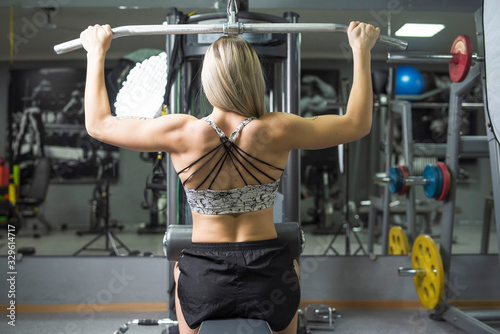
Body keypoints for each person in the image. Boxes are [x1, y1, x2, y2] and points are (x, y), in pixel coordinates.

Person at [80, 21, 380, 334]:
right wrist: (361, 50)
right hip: (270, 276)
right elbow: (357, 124)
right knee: (291, 266)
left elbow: (99, 125)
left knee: (181, 269)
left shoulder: (181, 131)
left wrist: (96, 52)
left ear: (209, 80)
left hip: (205, 279)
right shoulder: (276, 128)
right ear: (254, 78)